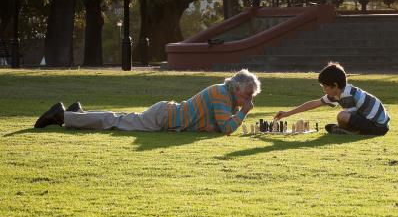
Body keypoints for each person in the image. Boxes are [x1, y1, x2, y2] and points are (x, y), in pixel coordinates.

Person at [33, 69, 260, 134]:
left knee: (119, 119)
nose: (247, 100)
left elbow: (215, 126)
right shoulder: (221, 95)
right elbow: (227, 128)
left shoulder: (225, 95)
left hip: (166, 115)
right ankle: (63, 116)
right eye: (247, 95)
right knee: (115, 122)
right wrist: (244, 113)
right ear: (237, 87)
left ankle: (78, 113)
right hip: (164, 117)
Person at [275, 62, 389, 135]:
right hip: (376, 124)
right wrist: (287, 113)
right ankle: (344, 130)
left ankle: (349, 132)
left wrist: (342, 125)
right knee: (342, 117)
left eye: (325, 86)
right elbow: (314, 104)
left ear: (334, 85)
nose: (323, 89)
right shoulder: (338, 92)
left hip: (378, 127)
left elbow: (350, 117)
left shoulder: (347, 95)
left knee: (342, 116)